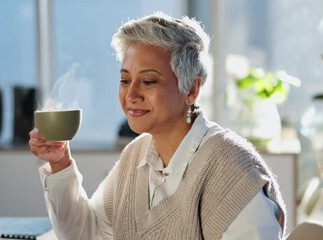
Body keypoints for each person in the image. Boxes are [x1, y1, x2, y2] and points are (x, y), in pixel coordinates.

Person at [29, 11, 286, 240]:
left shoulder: (230, 167)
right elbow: (84, 233)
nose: (131, 95)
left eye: (149, 81)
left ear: (192, 88)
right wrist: (60, 163)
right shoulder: (135, 156)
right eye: (125, 80)